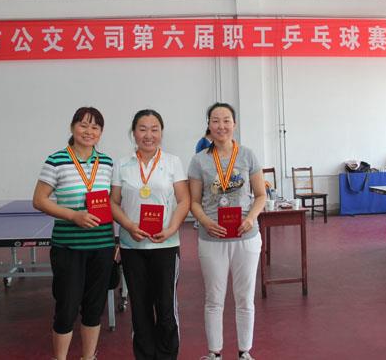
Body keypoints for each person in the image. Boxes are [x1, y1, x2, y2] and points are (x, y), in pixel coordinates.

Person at [33, 107, 115, 360]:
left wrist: (118, 241)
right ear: (72, 127)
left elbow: (113, 204)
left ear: (101, 132)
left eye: (95, 127)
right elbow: (39, 200)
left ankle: (89, 357)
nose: (89, 131)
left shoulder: (107, 162)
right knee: (66, 310)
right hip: (68, 248)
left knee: (94, 309)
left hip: (102, 246)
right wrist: (73, 216)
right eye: (83, 125)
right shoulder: (56, 160)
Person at [187, 102, 266, 360]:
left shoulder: (247, 155)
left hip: (246, 236)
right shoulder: (199, 160)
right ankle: (215, 353)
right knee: (214, 298)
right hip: (212, 237)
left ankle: (245, 352)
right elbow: (193, 201)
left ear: (234, 124)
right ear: (208, 125)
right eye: (215, 120)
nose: (221, 125)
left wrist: (251, 218)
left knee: (245, 298)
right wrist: (205, 222)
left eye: (226, 120)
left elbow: (261, 195)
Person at [110, 109, 190, 360]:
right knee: (140, 309)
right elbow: (113, 202)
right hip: (132, 247)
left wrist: (171, 229)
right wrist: (129, 226)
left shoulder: (172, 162)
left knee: (166, 308)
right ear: (133, 133)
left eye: (154, 129)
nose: (148, 135)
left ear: (161, 133)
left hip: (166, 246)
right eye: (142, 129)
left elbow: (184, 200)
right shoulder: (121, 164)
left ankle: (167, 356)